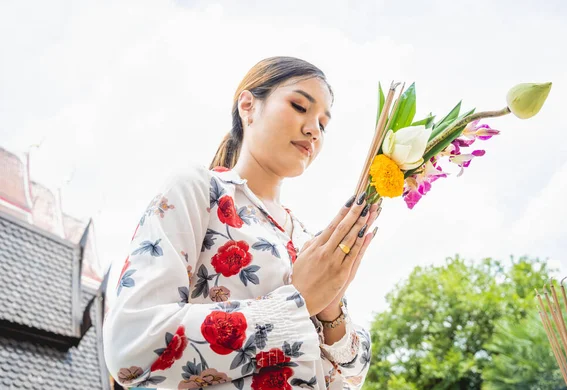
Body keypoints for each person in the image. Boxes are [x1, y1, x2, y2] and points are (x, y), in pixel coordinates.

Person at [103, 56, 380, 390]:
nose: (313, 130)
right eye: (299, 106)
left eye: (323, 123)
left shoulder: (307, 239)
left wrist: (331, 304)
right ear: (248, 106)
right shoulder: (199, 189)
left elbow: (350, 376)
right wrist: (298, 302)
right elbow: (132, 342)